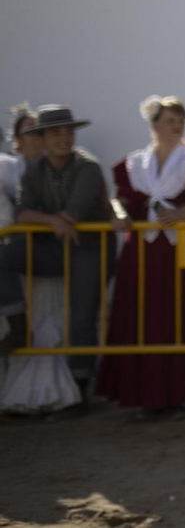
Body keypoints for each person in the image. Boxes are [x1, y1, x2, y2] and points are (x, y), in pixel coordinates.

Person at [94, 97, 185, 419]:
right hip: (140, 253)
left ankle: (176, 394)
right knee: (138, 316)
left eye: (180, 119)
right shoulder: (134, 164)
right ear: (154, 125)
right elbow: (118, 200)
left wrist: (180, 214)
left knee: (177, 315)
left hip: (178, 252)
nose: (176, 125)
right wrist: (120, 215)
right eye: (169, 120)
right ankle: (140, 395)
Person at [0, 105, 115, 412]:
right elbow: (21, 213)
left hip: (90, 247)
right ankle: (17, 322)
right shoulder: (34, 170)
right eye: (55, 133)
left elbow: (74, 213)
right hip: (54, 245)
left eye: (68, 132)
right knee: (4, 255)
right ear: (42, 137)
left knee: (82, 315)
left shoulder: (88, 165)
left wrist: (55, 219)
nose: (63, 138)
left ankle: (79, 389)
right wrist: (51, 221)